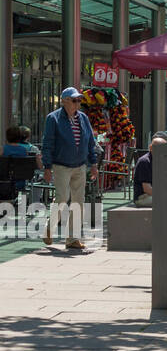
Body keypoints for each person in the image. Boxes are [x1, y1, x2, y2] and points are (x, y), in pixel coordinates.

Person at [40, 87, 101, 250]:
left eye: (79, 100)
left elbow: (90, 142)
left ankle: (72, 238)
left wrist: (93, 164)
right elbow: (48, 143)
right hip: (61, 165)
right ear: (64, 101)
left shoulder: (83, 118)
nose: (78, 103)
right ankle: (49, 228)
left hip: (80, 165)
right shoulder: (53, 119)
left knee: (78, 202)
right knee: (61, 199)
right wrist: (47, 167)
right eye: (74, 100)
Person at [4, 125, 42, 192]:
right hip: (22, 182)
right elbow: (39, 166)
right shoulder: (25, 150)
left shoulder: (3, 149)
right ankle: (26, 201)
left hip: (5, 182)